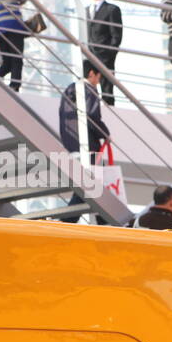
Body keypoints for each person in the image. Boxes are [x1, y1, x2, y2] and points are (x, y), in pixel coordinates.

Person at [58, 64, 111, 223]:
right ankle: (102, 223)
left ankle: (102, 222)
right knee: (93, 187)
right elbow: (92, 117)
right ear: (91, 73)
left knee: (87, 188)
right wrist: (105, 134)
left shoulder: (69, 91)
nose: (98, 82)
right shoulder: (89, 90)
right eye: (98, 78)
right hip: (89, 147)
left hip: (72, 145)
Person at [85, 0, 123, 105]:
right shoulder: (86, 10)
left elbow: (116, 36)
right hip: (88, 55)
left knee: (107, 90)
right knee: (88, 89)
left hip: (105, 56)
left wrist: (109, 54)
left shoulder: (112, 9)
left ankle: (109, 113)